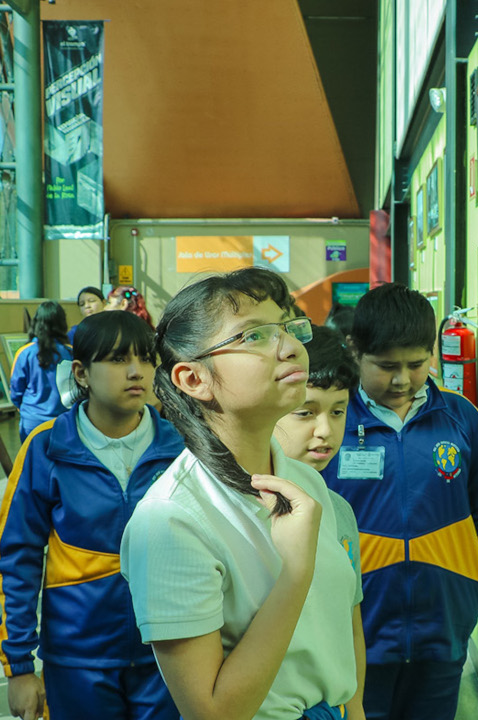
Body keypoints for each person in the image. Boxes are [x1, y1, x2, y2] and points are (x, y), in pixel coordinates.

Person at [120, 267, 365, 720]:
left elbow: (339, 631)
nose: (292, 347)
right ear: (195, 380)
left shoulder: (305, 482)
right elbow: (212, 713)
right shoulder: (170, 520)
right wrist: (295, 571)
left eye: (288, 328)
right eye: (253, 336)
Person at [322, 283, 478, 720]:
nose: (402, 379)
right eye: (386, 366)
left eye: (416, 363)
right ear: (355, 352)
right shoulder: (332, 422)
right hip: (355, 629)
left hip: (442, 626)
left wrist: (474, 575)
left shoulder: (461, 419)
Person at [0, 310, 184, 720]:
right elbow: (16, 558)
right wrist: (19, 668)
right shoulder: (47, 449)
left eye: (147, 359)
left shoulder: (182, 448)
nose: (137, 372)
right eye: (117, 360)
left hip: (171, 654)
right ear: (81, 373)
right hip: (78, 657)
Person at [272, 324, 364, 629]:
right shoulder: (244, 510)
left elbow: (350, 623)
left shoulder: (339, 510)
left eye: (338, 412)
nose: (325, 431)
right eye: (306, 412)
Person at [10, 301, 74, 441]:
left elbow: (16, 390)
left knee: (32, 461)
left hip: (32, 423)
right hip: (63, 421)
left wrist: (24, 408)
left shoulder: (25, 353)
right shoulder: (70, 353)